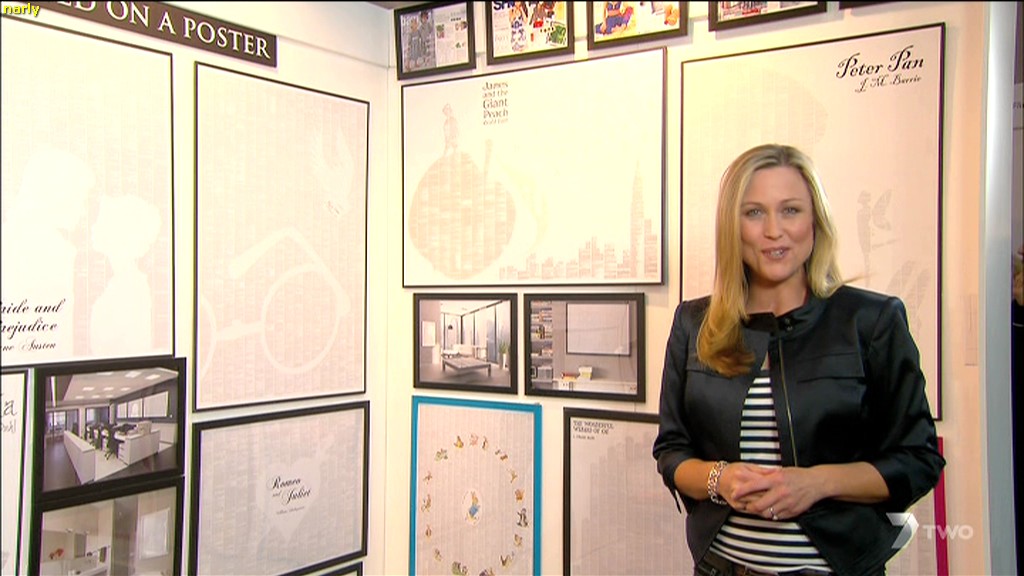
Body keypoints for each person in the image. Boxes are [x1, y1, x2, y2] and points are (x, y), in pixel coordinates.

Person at [653, 144, 944, 575]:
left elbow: (918, 460)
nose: (774, 231)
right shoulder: (693, 323)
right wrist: (720, 478)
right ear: (733, 227)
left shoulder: (872, 321)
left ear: (815, 221)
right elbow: (672, 452)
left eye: (790, 210)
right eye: (754, 213)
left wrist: (817, 483)